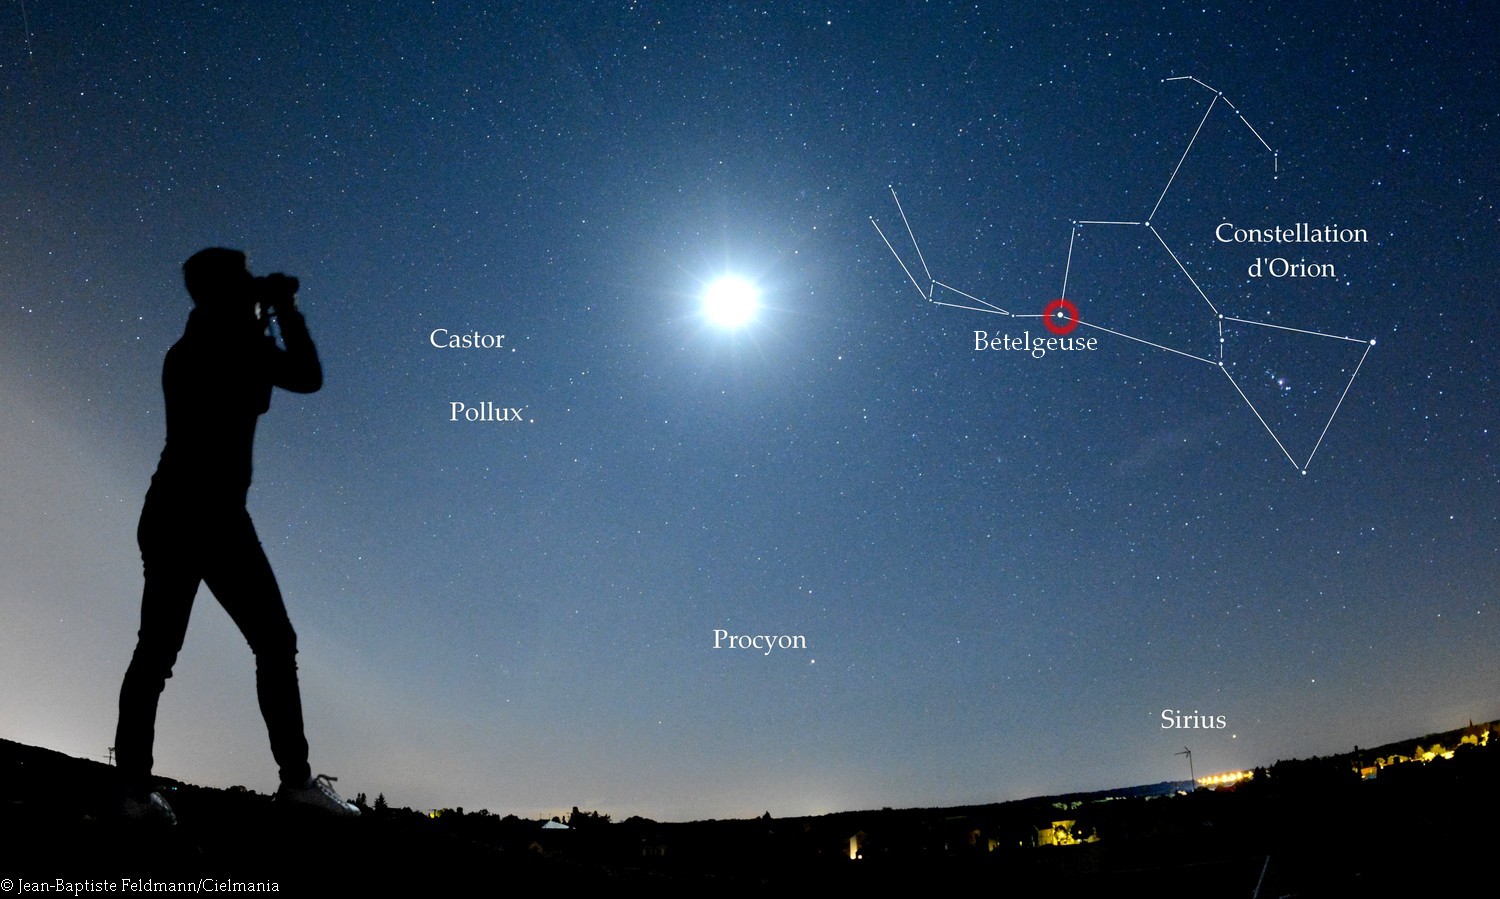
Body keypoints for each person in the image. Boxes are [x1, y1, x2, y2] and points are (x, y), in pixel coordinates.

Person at [114, 248, 357, 822]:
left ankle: (132, 793)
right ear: (226, 289)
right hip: (213, 515)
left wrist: (261, 311)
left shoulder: (188, 347)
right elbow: (307, 376)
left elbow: (260, 386)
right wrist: (284, 308)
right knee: (273, 643)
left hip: (172, 509)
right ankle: (296, 783)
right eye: (243, 278)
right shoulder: (235, 342)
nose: (253, 283)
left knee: (156, 652)